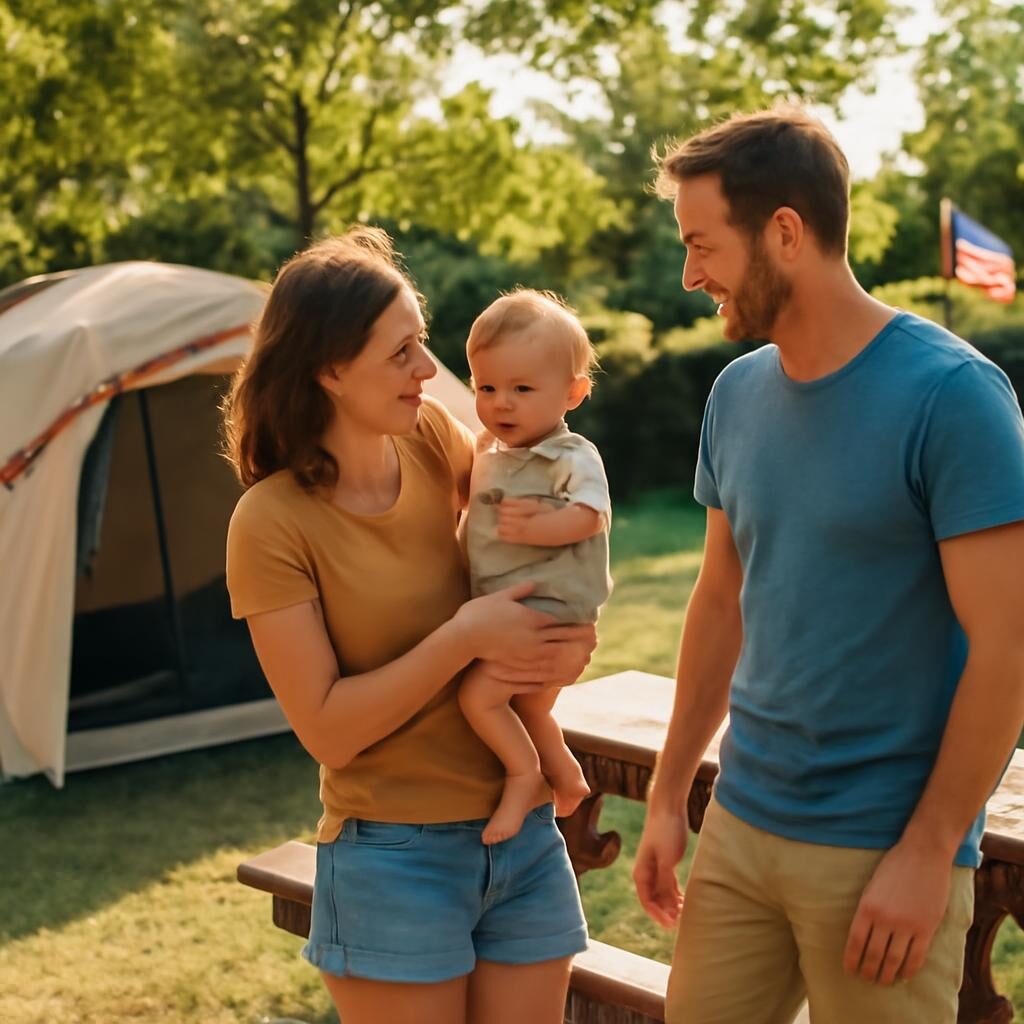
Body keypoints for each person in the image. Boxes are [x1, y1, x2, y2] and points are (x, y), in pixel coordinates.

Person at [632, 107, 1024, 1024]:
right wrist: (667, 794)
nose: (690, 276)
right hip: (740, 827)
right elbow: (719, 601)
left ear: (784, 232)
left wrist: (927, 851)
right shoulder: (735, 394)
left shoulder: (955, 397)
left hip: (883, 850)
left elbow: (1008, 645)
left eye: (702, 246)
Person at [223, 229, 594, 1024]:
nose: (429, 370)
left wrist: (562, 635)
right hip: (394, 859)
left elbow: (525, 540)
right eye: (401, 353)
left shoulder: (430, 440)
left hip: (523, 837)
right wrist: (464, 638)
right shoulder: (270, 523)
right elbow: (328, 729)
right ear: (329, 369)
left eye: (421, 343)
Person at [459, 290, 613, 844]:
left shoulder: (570, 455)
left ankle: (523, 776)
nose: (502, 404)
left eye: (522, 389)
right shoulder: (489, 451)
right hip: (517, 609)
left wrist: (544, 527)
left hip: (548, 612)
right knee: (528, 706)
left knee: (479, 697)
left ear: (573, 393)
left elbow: (591, 514)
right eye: (487, 388)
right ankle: (567, 777)